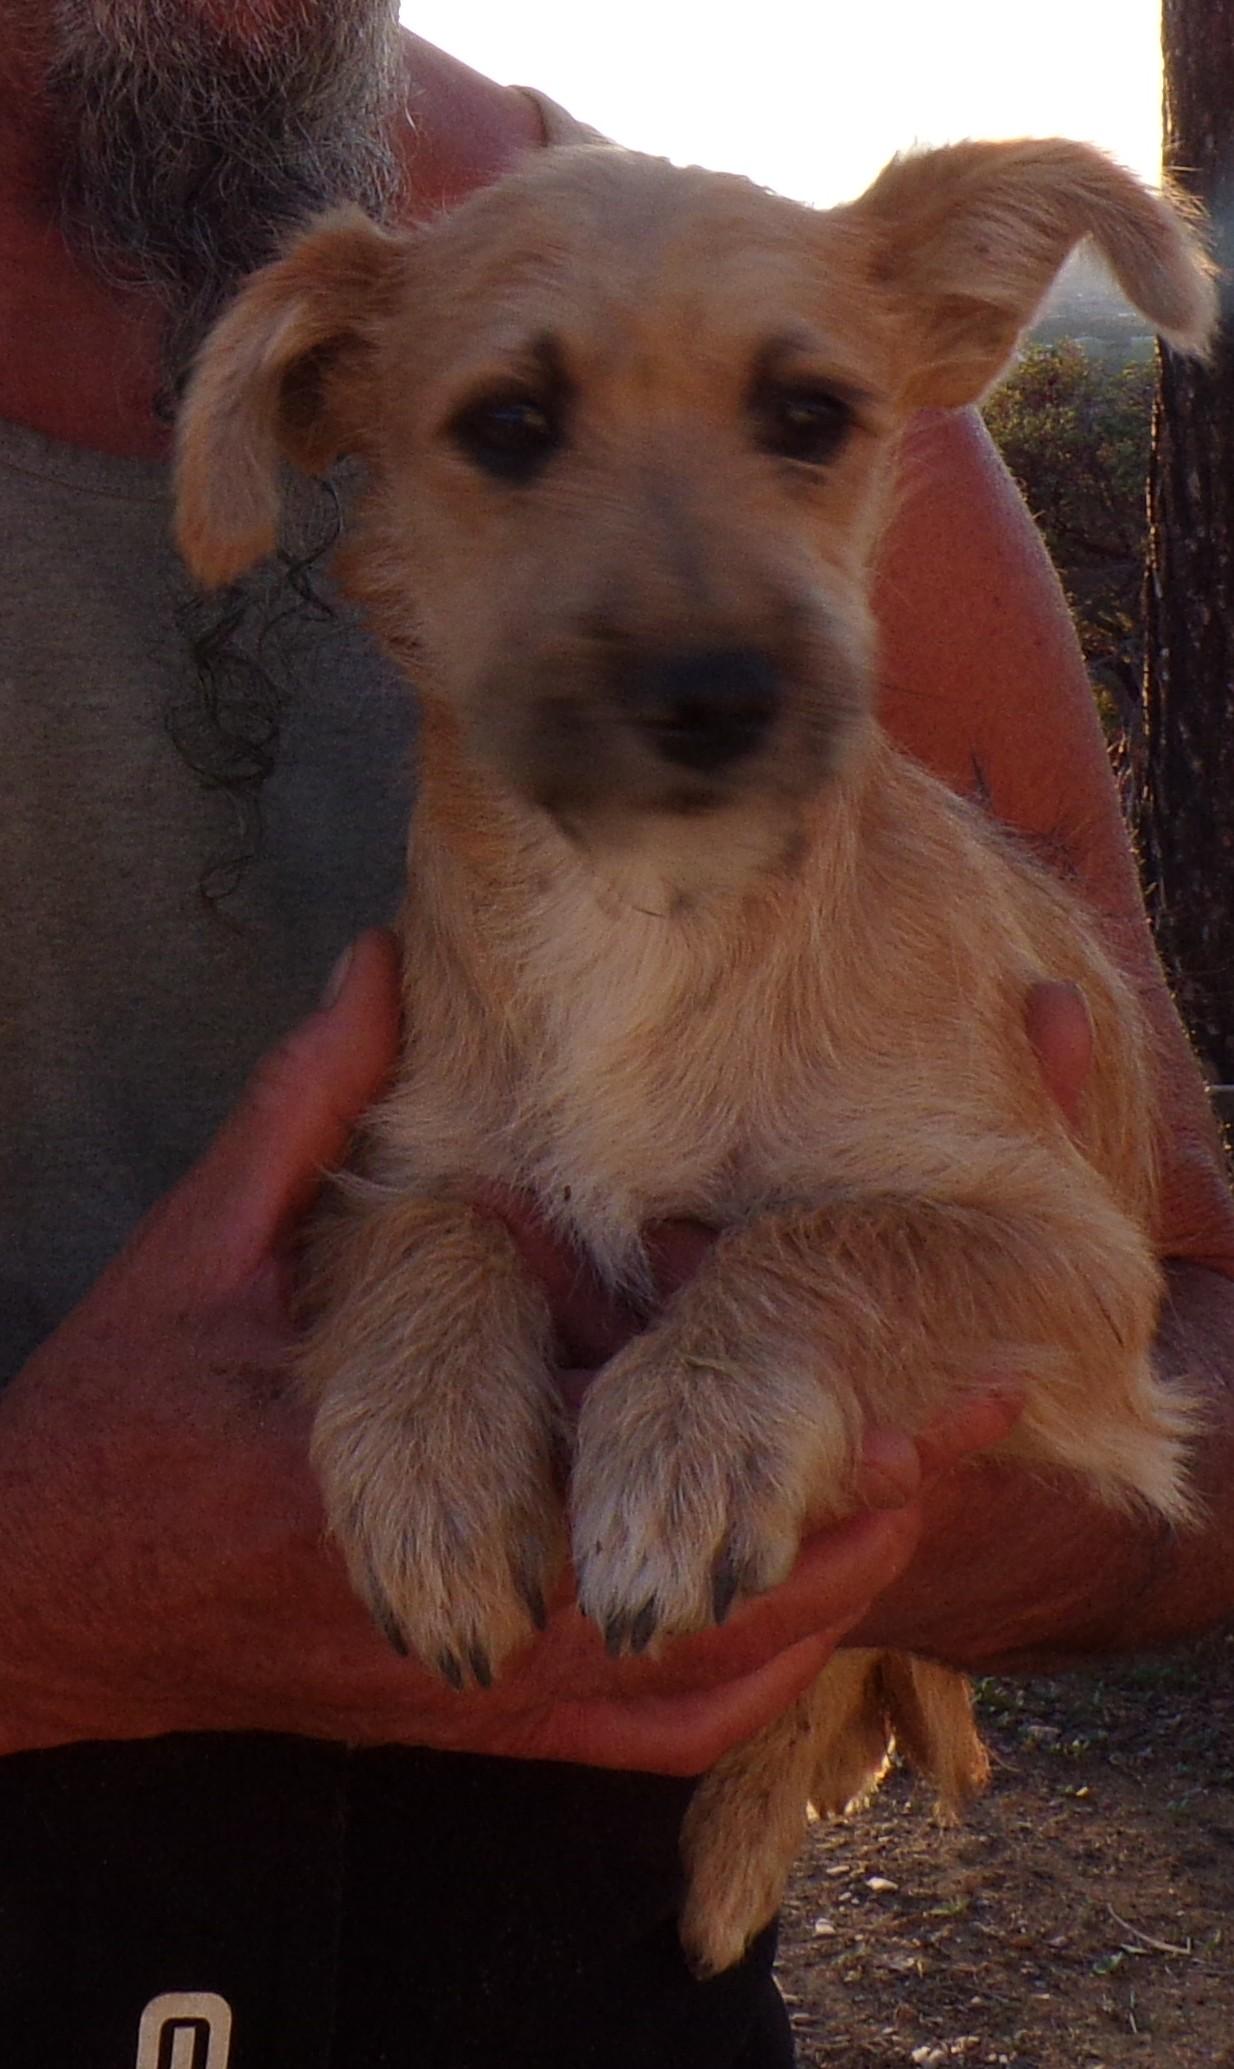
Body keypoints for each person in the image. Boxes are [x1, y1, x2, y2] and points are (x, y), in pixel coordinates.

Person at [1, 7, 1231, 2065]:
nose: (692, 629)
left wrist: (866, 1449)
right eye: (509, 434)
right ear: (325, 422)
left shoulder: (734, 294)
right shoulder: (447, 322)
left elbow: (1174, 1342)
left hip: (564, 1955)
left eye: (802, 424)